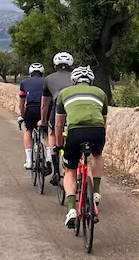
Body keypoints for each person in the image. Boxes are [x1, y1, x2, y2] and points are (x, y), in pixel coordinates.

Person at [54, 66, 108, 229]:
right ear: (91, 81)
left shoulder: (64, 93)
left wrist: (58, 144)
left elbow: (59, 124)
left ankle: (71, 209)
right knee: (97, 155)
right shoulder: (100, 93)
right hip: (97, 131)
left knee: (70, 169)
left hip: (75, 132)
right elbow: (104, 122)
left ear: (73, 81)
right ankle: (96, 191)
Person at [41, 52, 75, 184]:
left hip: (58, 106)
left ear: (55, 65)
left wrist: (43, 120)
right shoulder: (75, 76)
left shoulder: (48, 79)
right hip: (74, 106)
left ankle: (55, 171)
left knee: (52, 133)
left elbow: (44, 105)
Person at [17, 63, 47, 169]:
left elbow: (21, 103)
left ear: (30, 73)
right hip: (44, 109)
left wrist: (22, 115)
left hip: (31, 109)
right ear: (42, 73)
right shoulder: (47, 81)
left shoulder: (24, 82)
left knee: (28, 130)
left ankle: (29, 161)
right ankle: (48, 158)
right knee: (46, 132)